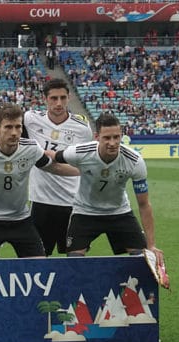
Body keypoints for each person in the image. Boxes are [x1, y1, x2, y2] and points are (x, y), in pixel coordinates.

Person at [0, 104, 78, 259]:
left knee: (40, 267)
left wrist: (85, 171)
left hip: (20, 219)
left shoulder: (31, 149)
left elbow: (53, 167)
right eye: (8, 127)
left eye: (18, 127)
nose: (14, 133)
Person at [51, 113, 164, 264]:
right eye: (107, 138)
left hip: (119, 212)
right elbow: (54, 156)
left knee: (142, 261)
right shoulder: (80, 152)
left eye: (116, 137)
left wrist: (151, 245)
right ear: (97, 137)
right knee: (73, 263)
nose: (112, 143)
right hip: (85, 212)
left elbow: (144, 204)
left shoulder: (135, 161)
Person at [24, 78, 93, 256]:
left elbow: (85, 166)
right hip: (41, 201)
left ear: (69, 97)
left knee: (74, 257)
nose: (59, 103)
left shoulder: (82, 128)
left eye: (63, 98)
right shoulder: (30, 119)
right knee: (38, 256)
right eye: (53, 98)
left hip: (71, 202)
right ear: (45, 99)